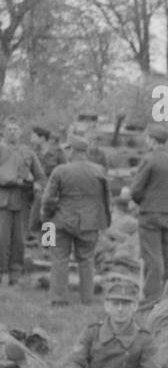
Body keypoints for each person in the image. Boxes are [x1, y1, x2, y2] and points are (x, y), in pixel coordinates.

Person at [41, 135, 112, 306]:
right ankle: (87, 299)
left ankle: (58, 299)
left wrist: (47, 217)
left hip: (62, 221)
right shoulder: (99, 171)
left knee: (59, 258)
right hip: (90, 222)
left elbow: (48, 199)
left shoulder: (60, 171)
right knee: (87, 260)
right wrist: (104, 221)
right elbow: (106, 199)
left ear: (72, 150)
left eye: (68, 149)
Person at [131, 124, 168, 305]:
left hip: (150, 215)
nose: (146, 141)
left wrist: (145, 202)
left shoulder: (149, 160)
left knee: (152, 257)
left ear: (153, 140)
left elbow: (136, 191)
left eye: (148, 138)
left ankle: (152, 298)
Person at [0, 119, 46, 286]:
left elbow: (41, 176)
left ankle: (16, 274)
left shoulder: (28, 152)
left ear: (20, 133)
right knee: (2, 239)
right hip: (2, 201)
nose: (13, 132)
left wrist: (37, 187)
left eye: (16, 129)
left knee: (19, 240)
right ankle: (2, 273)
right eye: (9, 129)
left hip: (22, 201)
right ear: (3, 131)